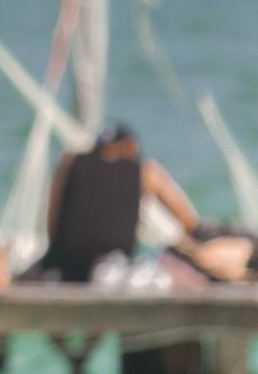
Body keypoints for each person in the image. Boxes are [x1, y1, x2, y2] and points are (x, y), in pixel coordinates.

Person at [33, 122, 197, 284]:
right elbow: (188, 220)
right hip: (114, 269)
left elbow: (52, 225)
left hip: (63, 267)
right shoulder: (145, 172)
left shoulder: (69, 162)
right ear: (130, 147)